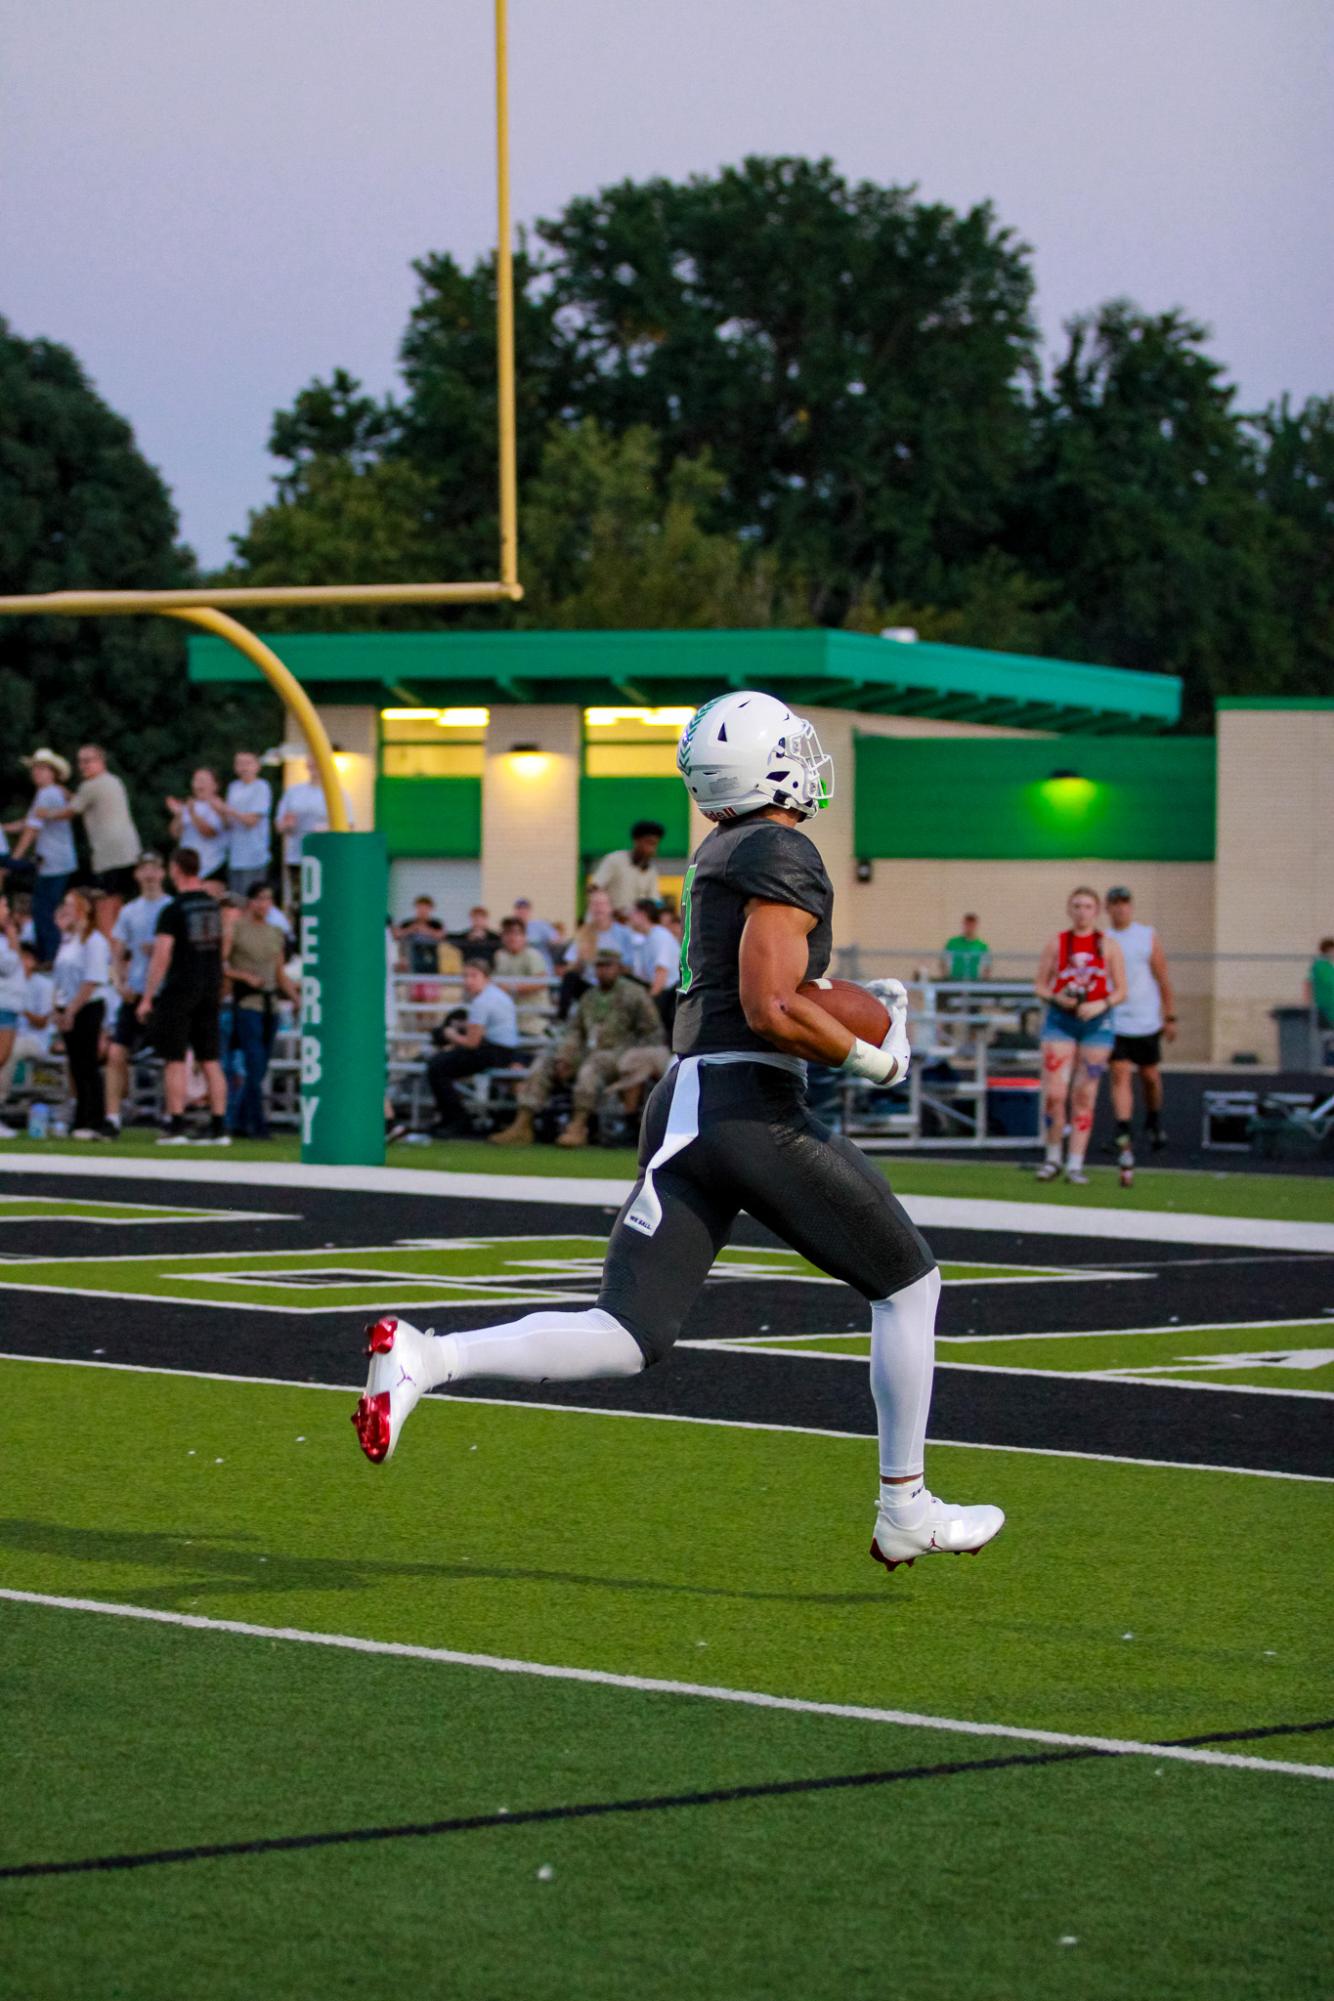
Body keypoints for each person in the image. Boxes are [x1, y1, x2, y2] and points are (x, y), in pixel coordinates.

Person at [355, 691, 1003, 1574]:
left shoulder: (723, 849)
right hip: (748, 1106)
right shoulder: (780, 846)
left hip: (689, 1101)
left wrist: (855, 1003)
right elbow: (771, 1006)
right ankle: (904, 1505)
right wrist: (870, 1057)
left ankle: (430, 1358)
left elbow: (773, 989)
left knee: (627, 1332)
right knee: (909, 1284)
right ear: (768, 765)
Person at [1033, 887, 1128, 1186]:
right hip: (1061, 1021)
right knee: (1055, 1095)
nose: (1082, 911)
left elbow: (1122, 989)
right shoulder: (1057, 943)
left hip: (1096, 1023)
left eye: (1087, 906)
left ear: (1096, 911)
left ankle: (1075, 1163)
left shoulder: (1109, 946)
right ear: (1069, 909)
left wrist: (1102, 1003)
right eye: (1076, 905)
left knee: (1085, 1094)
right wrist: (1058, 998)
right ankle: (1052, 1158)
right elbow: (1040, 985)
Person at [137, 847, 228, 1145]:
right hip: (210, 986)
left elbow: (162, 954)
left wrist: (148, 996)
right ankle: (218, 1126)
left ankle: (176, 1122)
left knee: (174, 1058)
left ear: (176, 869)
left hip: (181, 987)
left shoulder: (173, 909)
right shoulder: (213, 907)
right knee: (210, 1058)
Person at [1105, 885, 1177, 1167]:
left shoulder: (1146, 936)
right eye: (1116, 904)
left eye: (1125, 903)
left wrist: (1169, 1015)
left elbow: (1162, 977)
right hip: (1116, 1018)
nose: (1121, 908)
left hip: (1146, 1018)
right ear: (1108, 908)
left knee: (1149, 1076)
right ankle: (1123, 1129)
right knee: (1120, 1073)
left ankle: (1153, 1119)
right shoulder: (1104, 939)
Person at [104, 852, 173, 1136]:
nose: (149, 874)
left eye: (154, 868)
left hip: (164, 993)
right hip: (135, 992)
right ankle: (112, 1117)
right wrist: (120, 983)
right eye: (144, 868)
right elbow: (117, 952)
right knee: (116, 1052)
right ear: (137, 874)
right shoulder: (130, 911)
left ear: (163, 873)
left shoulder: (171, 907)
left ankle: (172, 1115)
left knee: (172, 1056)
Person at [226, 881, 300, 1138]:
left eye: (268, 899)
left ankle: (239, 1119)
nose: (264, 904)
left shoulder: (274, 932)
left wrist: (295, 997)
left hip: (270, 1004)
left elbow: (278, 972)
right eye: (259, 898)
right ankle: (255, 1122)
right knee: (254, 1063)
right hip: (248, 1002)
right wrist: (243, 976)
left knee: (260, 1066)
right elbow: (222, 964)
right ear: (250, 902)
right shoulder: (237, 929)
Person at [37, 744, 141, 912]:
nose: (83, 766)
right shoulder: (113, 780)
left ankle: (109, 937)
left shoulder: (90, 785)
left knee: (105, 902)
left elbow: (70, 812)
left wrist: (45, 813)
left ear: (101, 761)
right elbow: (86, 802)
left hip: (109, 856)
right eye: (80, 762)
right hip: (129, 852)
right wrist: (71, 796)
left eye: (88, 761)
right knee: (120, 900)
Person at [425, 959, 519, 1135]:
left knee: (436, 1067)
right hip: (502, 1050)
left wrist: (450, 1035)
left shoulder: (482, 1001)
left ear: (486, 978)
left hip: (493, 1051)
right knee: (441, 1064)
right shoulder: (495, 994)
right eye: (465, 976)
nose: (468, 981)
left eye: (473, 976)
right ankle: (452, 1119)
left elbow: (471, 1043)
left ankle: (456, 1120)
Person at [51, 888, 112, 1138]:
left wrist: (71, 1011)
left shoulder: (94, 941)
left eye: (70, 904)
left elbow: (91, 981)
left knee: (88, 1063)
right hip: (68, 1004)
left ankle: (95, 1119)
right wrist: (57, 1007)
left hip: (86, 1007)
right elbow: (60, 975)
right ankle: (80, 1117)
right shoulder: (69, 939)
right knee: (75, 1064)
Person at [7, 750, 77, 963]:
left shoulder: (47, 794)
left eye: (42, 768)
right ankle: (48, 955)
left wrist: (14, 859)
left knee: (44, 912)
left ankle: (50, 957)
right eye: (35, 768)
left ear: (52, 772)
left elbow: (31, 830)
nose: (36, 772)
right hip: (55, 862)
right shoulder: (49, 793)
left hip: (55, 863)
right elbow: (26, 823)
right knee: (43, 909)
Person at [276, 758, 352, 907]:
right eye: (312, 761)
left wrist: (326, 829)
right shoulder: (294, 792)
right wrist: (288, 825)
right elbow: (280, 825)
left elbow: (349, 826)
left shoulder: (338, 793)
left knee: (325, 901)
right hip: (298, 856)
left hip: (327, 858)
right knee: (300, 903)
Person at [0, 941, 56, 1129]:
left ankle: (0, 1101)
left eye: (24, 958)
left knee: (9, 1052)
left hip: (35, 1039)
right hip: (10, 1034)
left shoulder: (43, 985)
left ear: (33, 961)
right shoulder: (7, 984)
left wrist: (17, 1007)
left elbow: (41, 1023)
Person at [557, 887, 635, 1017]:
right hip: (590, 985)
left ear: (610, 908)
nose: (599, 908)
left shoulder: (623, 934)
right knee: (570, 977)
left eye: (602, 904)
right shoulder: (583, 932)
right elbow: (570, 967)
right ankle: (561, 1019)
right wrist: (581, 959)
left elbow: (629, 967)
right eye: (594, 904)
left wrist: (610, 966)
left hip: (614, 984)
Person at [220, 750, 273, 896]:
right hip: (235, 856)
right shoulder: (233, 787)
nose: (244, 768)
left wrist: (229, 810)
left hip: (254, 856)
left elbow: (252, 821)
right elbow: (228, 822)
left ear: (257, 766)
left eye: (248, 763)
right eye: (239, 763)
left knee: (252, 899)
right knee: (236, 900)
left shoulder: (261, 787)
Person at [491, 915, 552, 1040]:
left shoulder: (532, 955)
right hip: (507, 1023)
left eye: (516, 933)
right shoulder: (500, 956)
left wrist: (512, 988)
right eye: (507, 933)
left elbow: (542, 981)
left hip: (532, 1023)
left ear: (524, 937)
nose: (512, 938)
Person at [166, 769, 229, 889]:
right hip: (187, 871)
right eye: (196, 780)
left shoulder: (218, 806)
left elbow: (209, 833)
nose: (199, 784)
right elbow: (174, 833)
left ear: (215, 786)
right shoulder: (189, 806)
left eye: (203, 780)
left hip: (212, 868)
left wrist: (192, 814)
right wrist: (179, 815)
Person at [627, 896, 680, 1036]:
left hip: (669, 996)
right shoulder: (648, 938)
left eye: (633, 913)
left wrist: (648, 1004)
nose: (630, 917)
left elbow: (661, 975)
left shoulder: (659, 937)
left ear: (642, 915)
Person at [590, 820, 665, 918]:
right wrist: (608, 910)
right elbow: (594, 888)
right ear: (636, 841)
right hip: (607, 923)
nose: (651, 849)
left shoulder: (651, 871)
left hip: (632, 926)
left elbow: (654, 901)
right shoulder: (615, 860)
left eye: (654, 845)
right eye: (648, 843)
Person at [0, 894, 23, 1138]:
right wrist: (14, 937)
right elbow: (9, 965)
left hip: (9, 1005)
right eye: (4, 905)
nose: (7, 910)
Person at [939, 914, 991, 984]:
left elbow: (987, 966)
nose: (969, 927)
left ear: (975, 926)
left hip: (973, 981)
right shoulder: (952, 942)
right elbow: (943, 962)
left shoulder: (982, 945)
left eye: (971, 925)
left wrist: (983, 983)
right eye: (967, 924)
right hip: (955, 980)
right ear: (963, 925)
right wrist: (946, 979)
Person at [511, 897, 563, 966]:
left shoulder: (541, 925)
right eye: (519, 909)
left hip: (542, 967)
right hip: (520, 967)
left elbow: (556, 940)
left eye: (524, 909)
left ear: (529, 911)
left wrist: (552, 942)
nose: (522, 911)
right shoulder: (511, 929)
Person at [1307, 938, 1334, 1060]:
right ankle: (1322, 1059)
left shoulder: (1328, 966)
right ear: (1328, 950)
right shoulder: (1319, 966)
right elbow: (1309, 984)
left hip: (1329, 1006)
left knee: (1327, 1035)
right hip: (1323, 1006)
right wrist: (1308, 1002)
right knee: (1324, 1035)